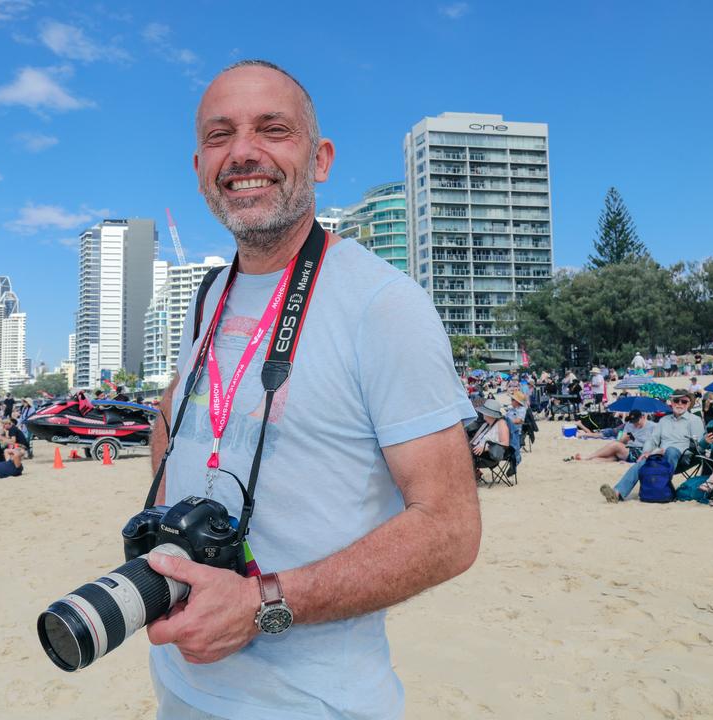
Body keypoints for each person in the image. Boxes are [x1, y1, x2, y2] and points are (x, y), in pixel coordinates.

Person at [143, 60, 479, 719]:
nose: (243, 152)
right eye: (220, 135)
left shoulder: (383, 305)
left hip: (313, 703)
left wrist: (261, 603)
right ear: (199, 167)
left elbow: (450, 528)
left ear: (320, 159)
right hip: (181, 686)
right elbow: (177, 417)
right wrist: (163, 529)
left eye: (273, 129)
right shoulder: (208, 294)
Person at [600, 389, 704, 503]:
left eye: (684, 401)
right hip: (661, 456)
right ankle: (617, 492)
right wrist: (646, 452)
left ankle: (663, 487)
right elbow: (652, 439)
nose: (680, 404)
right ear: (671, 402)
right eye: (676, 400)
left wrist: (674, 450)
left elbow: (697, 445)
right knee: (641, 463)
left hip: (684, 458)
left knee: (671, 451)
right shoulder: (664, 420)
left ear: (689, 404)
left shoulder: (695, 420)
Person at [569, 410, 652, 462]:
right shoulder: (629, 424)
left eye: (637, 421)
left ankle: (587, 457)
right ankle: (590, 459)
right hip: (627, 449)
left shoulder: (653, 427)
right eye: (633, 421)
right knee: (605, 457)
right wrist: (625, 439)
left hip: (640, 453)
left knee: (615, 445)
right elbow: (620, 441)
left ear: (643, 417)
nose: (635, 423)